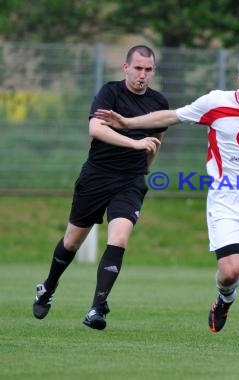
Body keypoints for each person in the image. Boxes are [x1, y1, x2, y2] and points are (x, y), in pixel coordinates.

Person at [94, 53, 239, 352]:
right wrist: (128, 122)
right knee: (230, 272)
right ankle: (225, 299)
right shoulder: (215, 103)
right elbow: (170, 116)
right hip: (226, 198)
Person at [32, 45, 169, 330]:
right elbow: (96, 129)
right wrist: (134, 142)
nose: (142, 74)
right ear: (126, 68)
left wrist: (144, 167)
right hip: (97, 176)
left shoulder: (159, 102)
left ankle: (97, 308)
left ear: (153, 71)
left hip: (130, 182)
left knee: (118, 239)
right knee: (72, 241)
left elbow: (155, 141)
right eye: (138, 68)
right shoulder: (110, 93)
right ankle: (48, 286)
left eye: (148, 69)